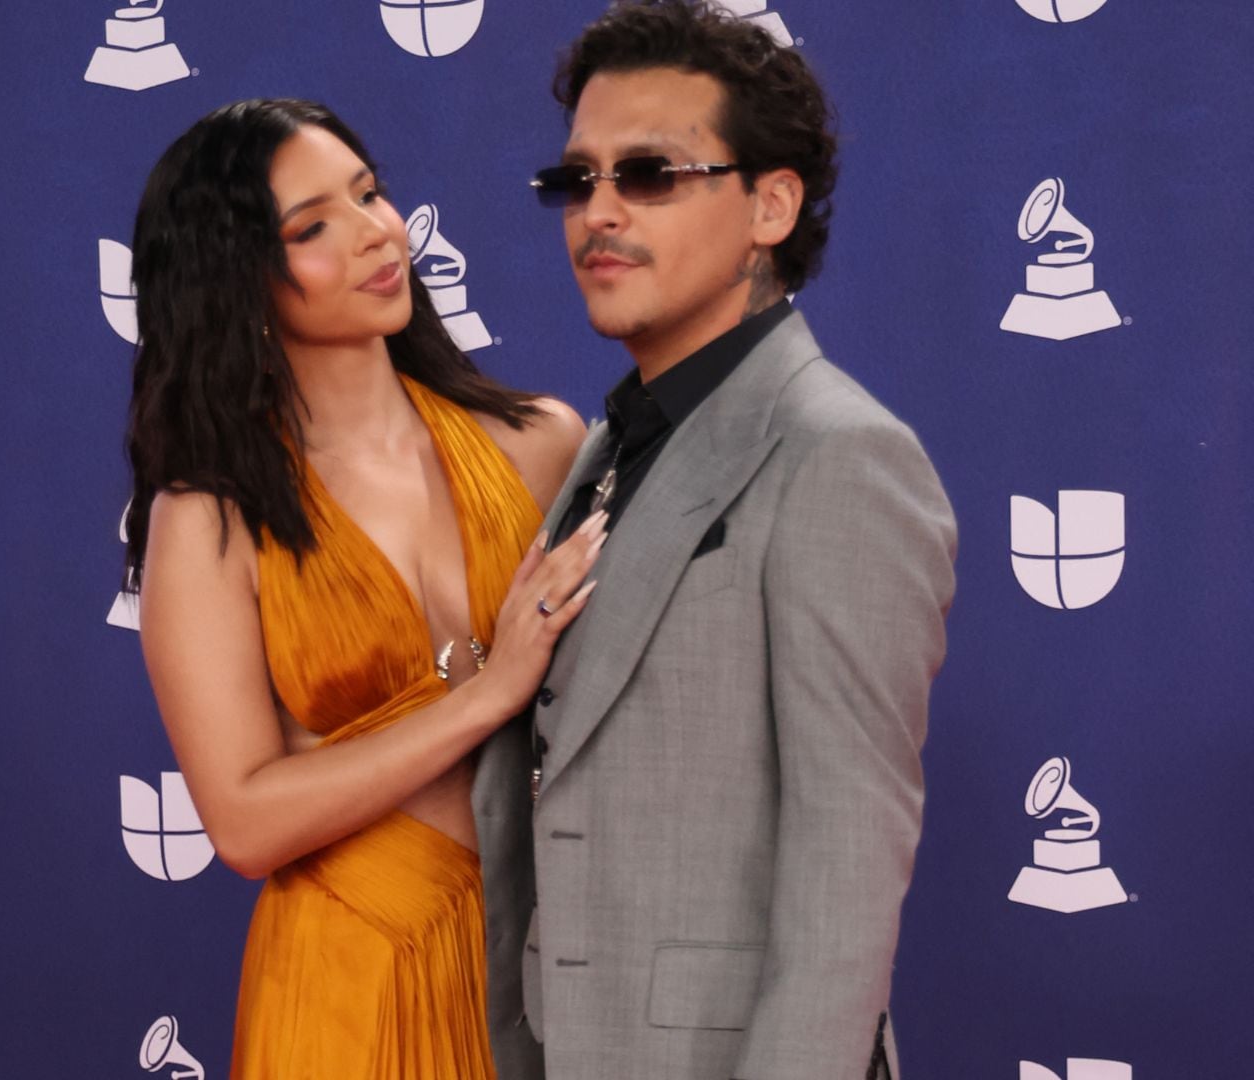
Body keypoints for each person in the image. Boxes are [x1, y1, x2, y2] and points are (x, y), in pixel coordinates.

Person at [471, 4, 959, 1079]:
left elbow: (845, 877)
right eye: (577, 180)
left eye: (649, 174)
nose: (598, 211)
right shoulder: (604, 444)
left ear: (769, 205)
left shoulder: (841, 457)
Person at [123, 98, 597, 1079]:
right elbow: (246, 822)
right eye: (311, 229)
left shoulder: (542, 442)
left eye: (369, 193)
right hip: (350, 983)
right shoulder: (209, 518)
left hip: (556, 967)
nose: (377, 233)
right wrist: (490, 693)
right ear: (239, 281)